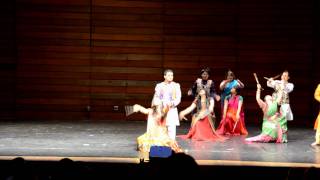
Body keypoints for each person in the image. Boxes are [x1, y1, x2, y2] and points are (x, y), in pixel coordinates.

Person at [154, 69, 181, 140]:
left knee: (171, 129)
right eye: (169, 75)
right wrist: (158, 106)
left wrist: (172, 103)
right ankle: (162, 146)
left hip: (172, 109)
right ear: (164, 76)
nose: (171, 77)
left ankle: (171, 145)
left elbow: (178, 98)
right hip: (161, 109)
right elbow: (157, 97)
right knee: (161, 128)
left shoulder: (176, 85)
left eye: (172, 75)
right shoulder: (159, 85)